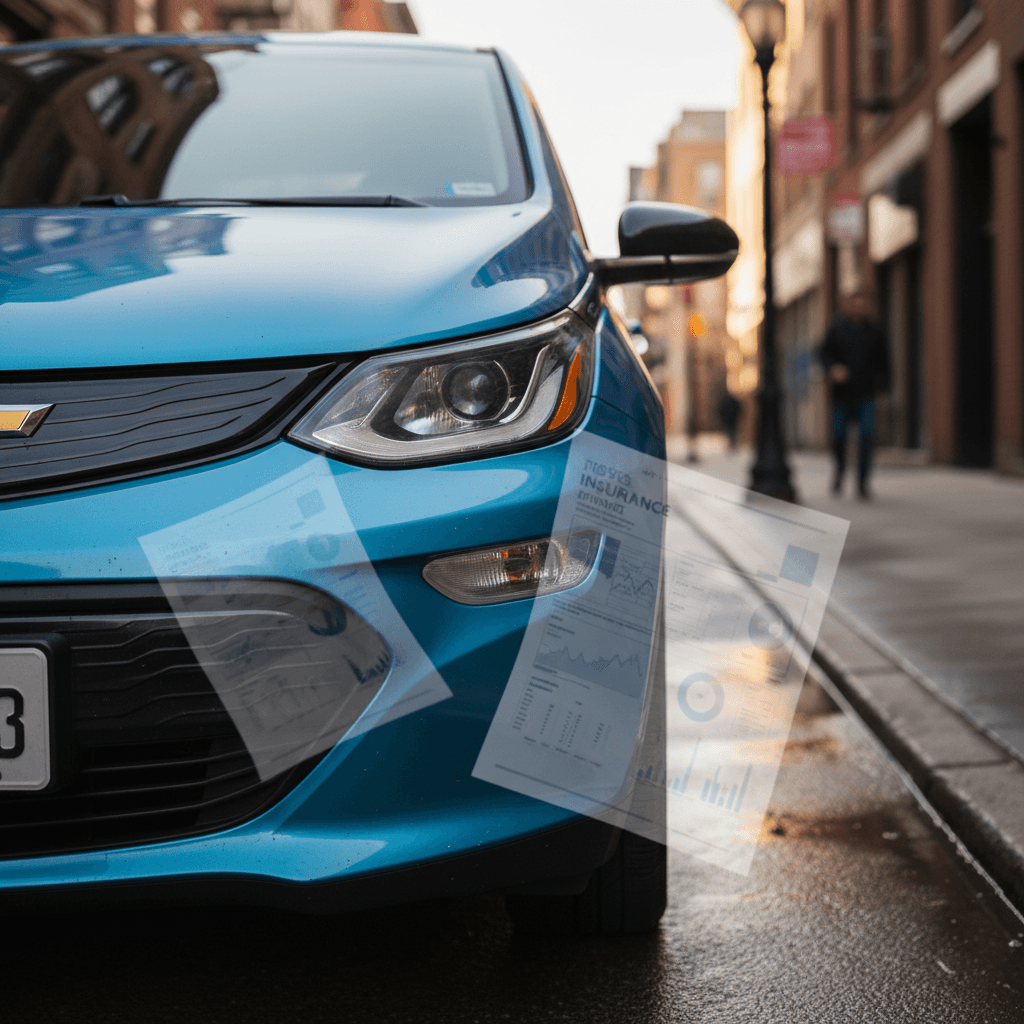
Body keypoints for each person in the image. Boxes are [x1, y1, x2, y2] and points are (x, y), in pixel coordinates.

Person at [819, 291, 891, 498]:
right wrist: (833, 368)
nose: (859, 307)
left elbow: (885, 363)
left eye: (864, 303)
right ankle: (840, 471)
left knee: (867, 437)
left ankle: (862, 483)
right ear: (847, 305)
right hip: (841, 395)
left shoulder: (876, 331)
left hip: (866, 394)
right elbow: (823, 354)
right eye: (855, 303)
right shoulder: (836, 329)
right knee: (839, 436)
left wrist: (884, 389)